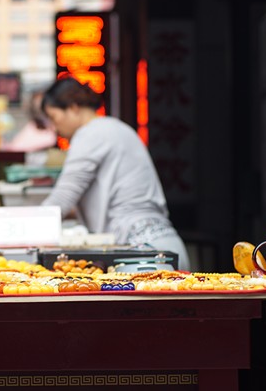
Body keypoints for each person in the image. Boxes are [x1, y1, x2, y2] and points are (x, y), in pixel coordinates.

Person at [38, 77, 191, 270]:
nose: (55, 128)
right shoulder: (116, 128)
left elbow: (62, 199)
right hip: (166, 247)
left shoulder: (90, 134)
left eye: (54, 117)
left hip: (143, 255)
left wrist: (19, 228)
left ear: (73, 107)